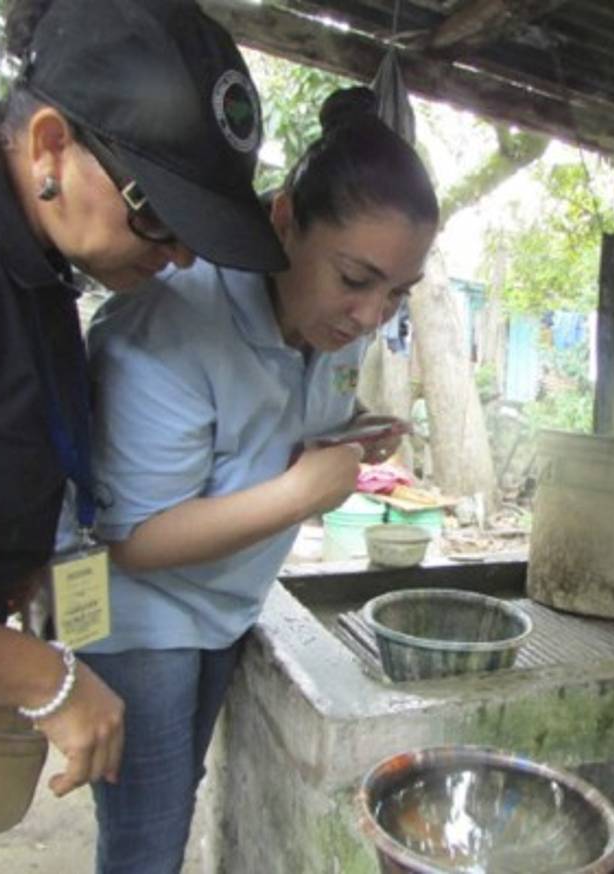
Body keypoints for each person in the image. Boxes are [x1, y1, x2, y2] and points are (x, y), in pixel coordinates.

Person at [0, 1, 285, 870]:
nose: (180, 257)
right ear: (49, 146)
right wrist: (50, 681)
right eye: (159, 217)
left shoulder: (8, 207)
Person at [78, 86, 439, 872]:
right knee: (148, 834)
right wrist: (305, 492)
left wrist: (346, 437)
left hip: (224, 601)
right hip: (142, 615)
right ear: (283, 220)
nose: (371, 316)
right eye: (356, 279)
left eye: (396, 294)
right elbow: (134, 542)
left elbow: (268, 425)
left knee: (173, 794)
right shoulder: (169, 324)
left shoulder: (331, 323)